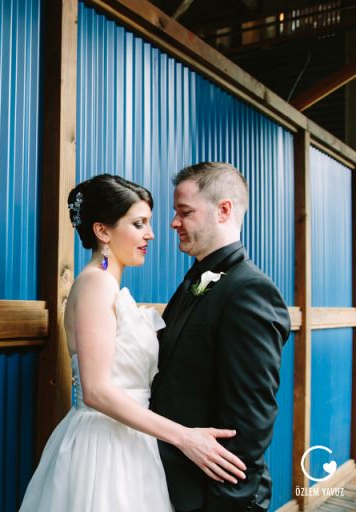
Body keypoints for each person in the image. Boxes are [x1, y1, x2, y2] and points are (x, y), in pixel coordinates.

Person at [20, 174, 246, 512]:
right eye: (139, 224)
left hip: (134, 441)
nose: (151, 234)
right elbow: (96, 392)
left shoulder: (110, 286)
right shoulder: (95, 284)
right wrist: (184, 437)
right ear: (103, 231)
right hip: (102, 449)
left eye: (149, 223)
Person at [150, 162, 291, 512]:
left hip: (211, 497)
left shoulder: (249, 291)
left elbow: (250, 420)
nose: (173, 223)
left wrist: (228, 504)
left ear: (223, 210)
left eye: (185, 212)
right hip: (172, 481)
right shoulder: (198, 280)